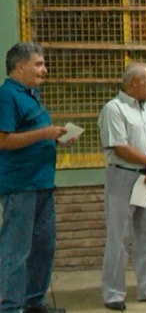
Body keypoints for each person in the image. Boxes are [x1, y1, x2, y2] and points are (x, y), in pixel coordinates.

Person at [99, 63, 146, 311]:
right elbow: (119, 147)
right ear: (134, 82)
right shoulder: (115, 109)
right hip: (124, 178)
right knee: (119, 237)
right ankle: (113, 294)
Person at [0, 42, 68, 313]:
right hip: (21, 185)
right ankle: (10, 307)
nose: (45, 69)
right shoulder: (8, 95)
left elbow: (35, 132)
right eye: (38, 64)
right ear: (19, 66)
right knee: (17, 251)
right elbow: (4, 140)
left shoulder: (32, 94)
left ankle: (34, 302)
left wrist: (56, 138)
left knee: (43, 246)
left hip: (42, 183)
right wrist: (44, 134)